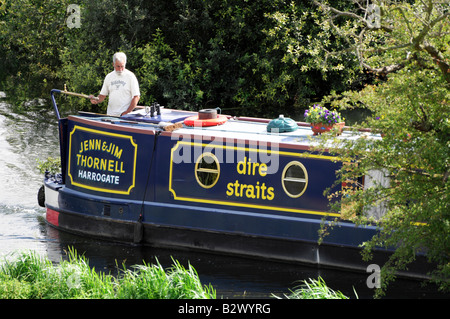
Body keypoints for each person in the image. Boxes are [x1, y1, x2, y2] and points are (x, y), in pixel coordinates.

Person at [90, 52, 140, 116]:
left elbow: (136, 97)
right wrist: (96, 100)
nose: (120, 69)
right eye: (118, 66)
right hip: (110, 116)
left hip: (125, 117)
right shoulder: (109, 77)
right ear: (113, 64)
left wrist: (127, 112)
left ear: (125, 64)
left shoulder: (131, 77)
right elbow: (102, 95)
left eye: (122, 66)